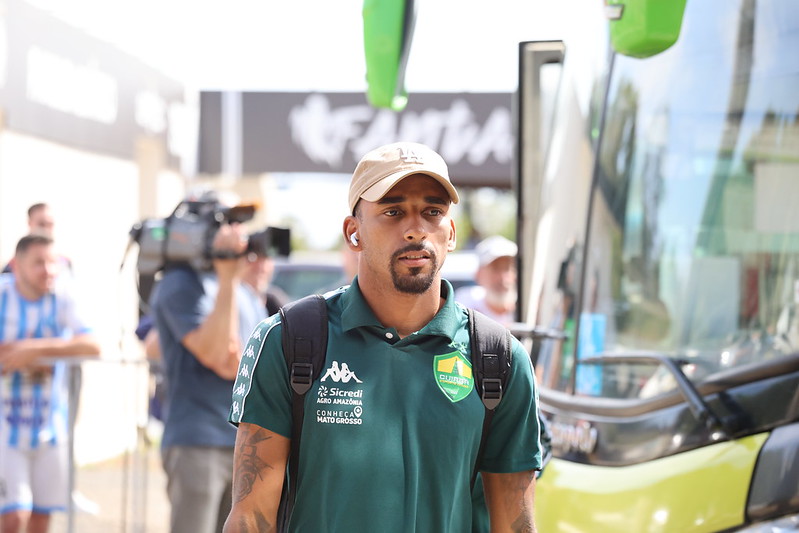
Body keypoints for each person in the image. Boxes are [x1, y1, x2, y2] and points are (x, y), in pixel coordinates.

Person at [225, 141, 542, 533]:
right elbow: (250, 519)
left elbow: (517, 525)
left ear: (452, 232)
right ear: (353, 232)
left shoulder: (499, 358)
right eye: (393, 211)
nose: (415, 229)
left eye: (433, 211)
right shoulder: (289, 341)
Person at [148, 199, 268, 533]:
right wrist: (227, 277)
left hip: (244, 445)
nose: (238, 237)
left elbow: (254, 362)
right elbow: (221, 358)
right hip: (197, 441)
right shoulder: (180, 284)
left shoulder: (241, 291)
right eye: (226, 227)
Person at [0, 234, 101, 533]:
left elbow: (93, 345)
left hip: (50, 428)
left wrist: (35, 350)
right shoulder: (3, 296)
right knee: (13, 517)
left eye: (52, 262)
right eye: (39, 263)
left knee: (42, 518)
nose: (49, 271)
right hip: (5, 430)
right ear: (17, 266)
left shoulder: (63, 297)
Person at [455, 235, 518, 325]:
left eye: (508, 268)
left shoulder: (530, 310)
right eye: (496, 268)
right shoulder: (465, 307)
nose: (503, 278)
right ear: (478, 274)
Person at [3, 204, 72, 275]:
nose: (46, 229)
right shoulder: (13, 267)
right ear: (29, 224)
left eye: (50, 224)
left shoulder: (64, 263)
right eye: (41, 224)